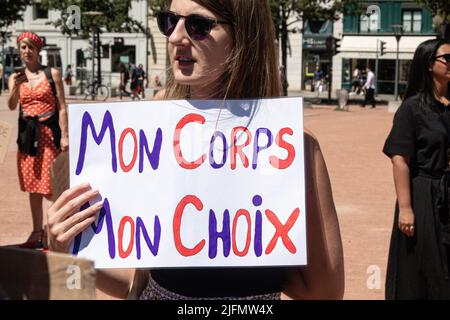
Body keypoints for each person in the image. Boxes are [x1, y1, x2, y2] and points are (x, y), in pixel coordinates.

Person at [47, 0, 344, 300]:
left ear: (244, 36)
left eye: (198, 25)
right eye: (169, 21)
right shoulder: (147, 131)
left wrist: (258, 254)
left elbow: (324, 292)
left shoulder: (290, 147)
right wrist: (67, 250)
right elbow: (133, 284)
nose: (175, 37)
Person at [383, 38, 450, 299]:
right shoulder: (412, 109)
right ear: (428, 64)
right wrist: (406, 208)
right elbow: (400, 158)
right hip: (423, 194)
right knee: (423, 266)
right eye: (447, 58)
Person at [7, 31, 69, 249]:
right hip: (27, 138)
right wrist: (14, 85)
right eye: (22, 48)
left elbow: (61, 106)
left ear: (38, 50)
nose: (26, 52)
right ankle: (36, 233)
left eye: (30, 47)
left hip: (48, 136)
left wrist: (65, 135)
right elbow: (12, 105)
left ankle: (52, 235)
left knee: (51, 189)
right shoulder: (17, 77)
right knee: (33, 187)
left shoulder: (51, 74)